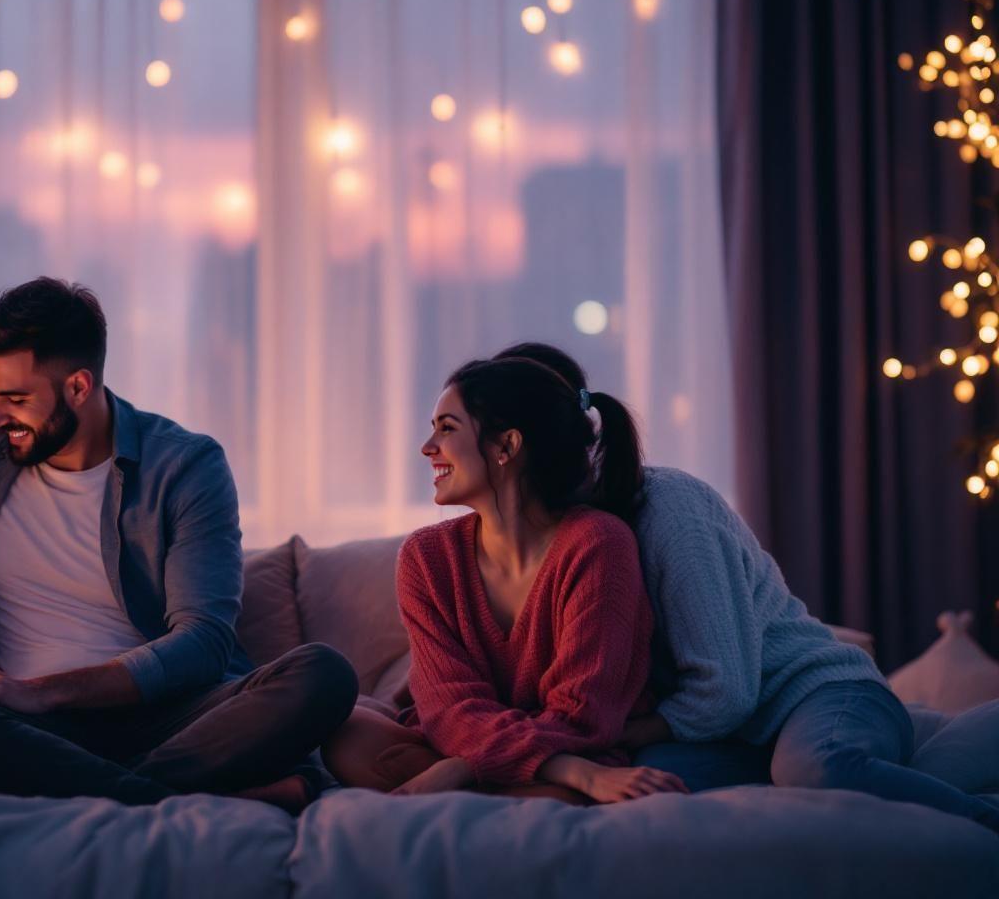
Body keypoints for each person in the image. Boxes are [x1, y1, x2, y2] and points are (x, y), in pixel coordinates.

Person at [494, 341, 999, 833]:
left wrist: (609, 735)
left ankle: (984, 823)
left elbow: (725, 692)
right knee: (648, 802)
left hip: (813, 694)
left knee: (817, 768)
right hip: (725, 737)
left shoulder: (668, 507)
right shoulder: (537, 540)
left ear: (515, 443)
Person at [0, 277, 357, 811]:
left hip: (168, 715)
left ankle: (94, 789)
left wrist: (41, 689)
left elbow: (204, 642)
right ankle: (174, 795)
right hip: (34, 730)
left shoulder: (185, 466)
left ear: (78, 387)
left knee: (323, 674)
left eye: (16, 399)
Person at [322, 356, 687, 804]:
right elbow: (447, 707)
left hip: (563, 744)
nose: (427, 447)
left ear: (507, 445)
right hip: (542, 757)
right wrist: (569, 771)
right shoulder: (425, 558)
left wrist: (462, 768)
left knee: (559, 784)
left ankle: (499, 790)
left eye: (447, 428)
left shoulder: (599, 543)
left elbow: (583, 716)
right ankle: (534, 787)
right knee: (346, 732)